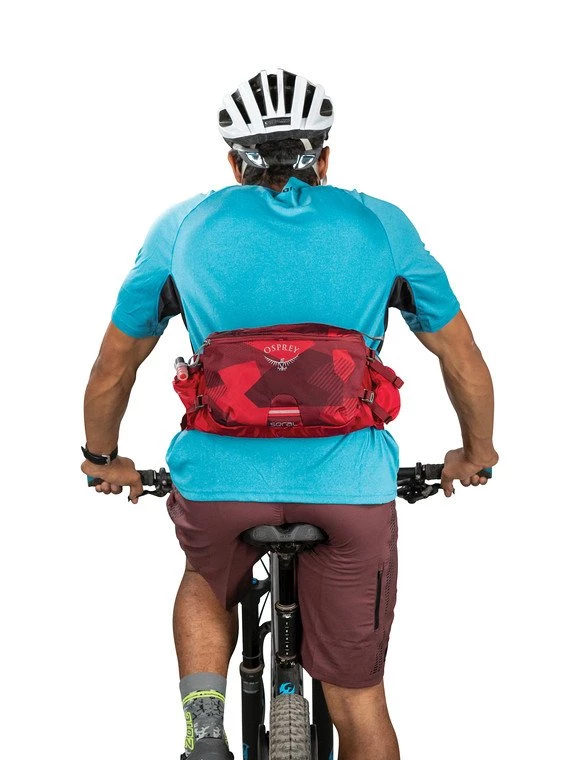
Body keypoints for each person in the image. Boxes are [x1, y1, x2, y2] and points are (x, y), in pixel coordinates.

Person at [81, 69, 498, 760]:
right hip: (350, 489)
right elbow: (461, 356)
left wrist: (103, 459)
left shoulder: (180, 229)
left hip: (220, 484)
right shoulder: (382, 225)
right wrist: (475, 452)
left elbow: (112, 369)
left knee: (206, 578)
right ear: (324, 158)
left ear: (233, 164)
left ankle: (205, 728)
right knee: (361, 701)